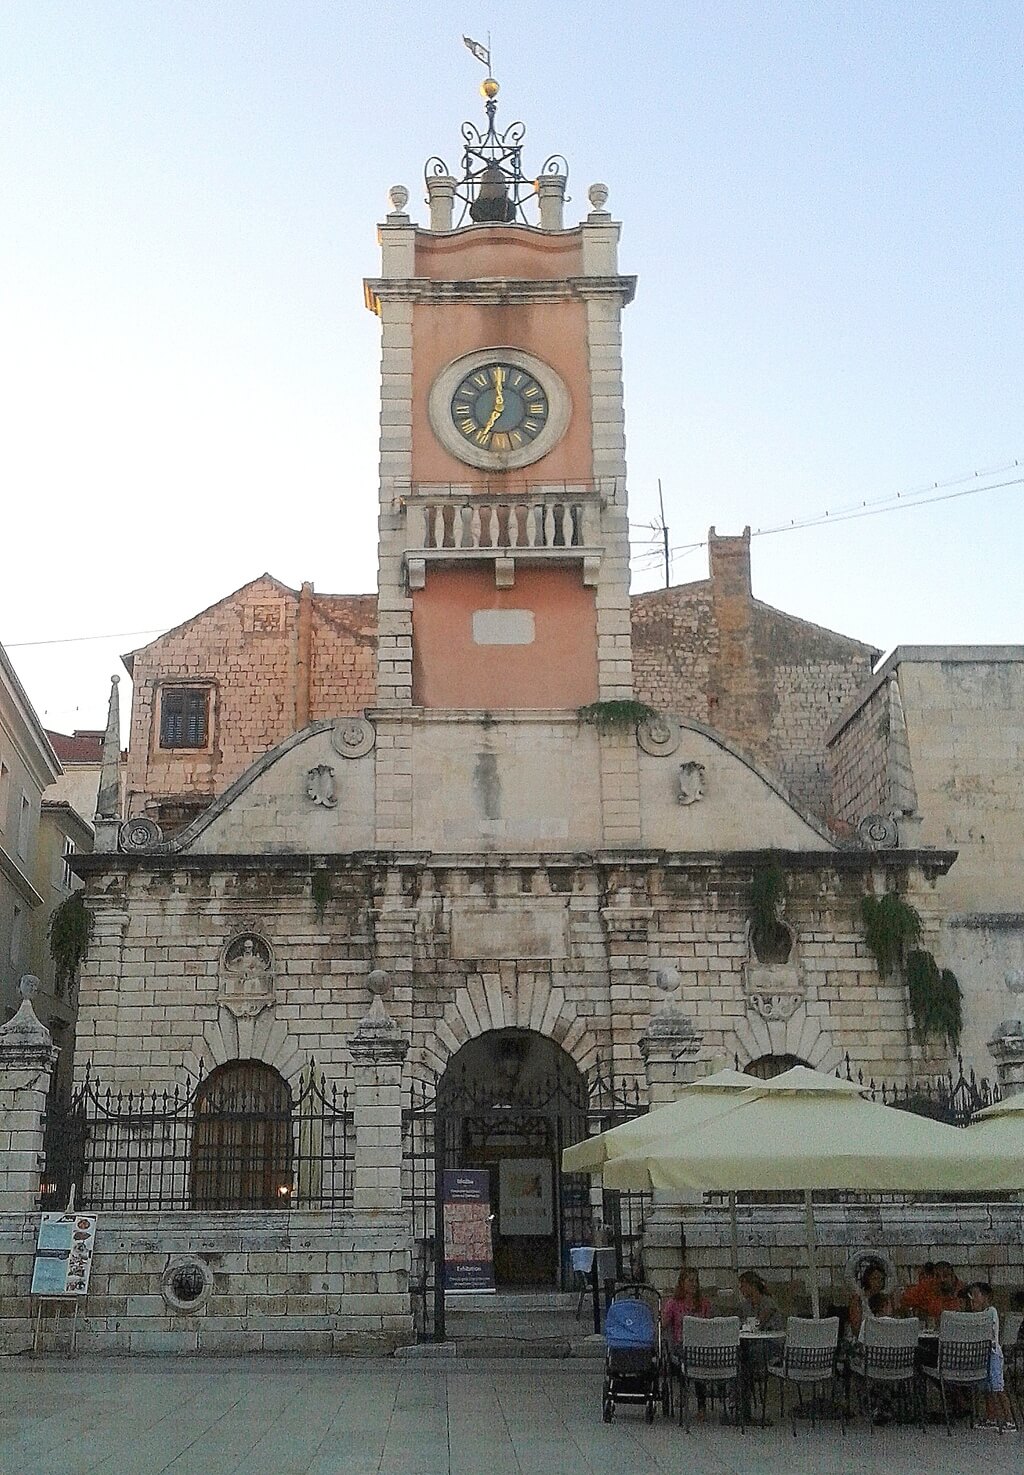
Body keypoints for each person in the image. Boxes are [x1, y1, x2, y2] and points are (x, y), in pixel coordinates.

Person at [966, 1281, 1017, 1431]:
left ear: (986, 1296)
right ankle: (991, 1417)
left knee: (997, 1387)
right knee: (987, 1388)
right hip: (983, 1355)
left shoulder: (991, 1312)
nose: (973, 1299)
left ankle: (1009, 1419)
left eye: (975, 1295)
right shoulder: (981, 1313)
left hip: (993, 1354)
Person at [662, 1268, 712, 1416]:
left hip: (701, 1345)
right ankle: (686, 1392)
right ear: (682, 1283)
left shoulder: (704, 1304)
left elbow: (710, 1326)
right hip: (681, 1344)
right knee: (687, 1357)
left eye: (696, 1280)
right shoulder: (673, 1303)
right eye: (690, 1280)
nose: (694, 1284)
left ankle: (701, 1405)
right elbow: (663, 1325)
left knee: (698, 1357)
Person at [848, 1260, 887, 1340]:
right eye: (875, 1278)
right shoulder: (858, 1298)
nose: (878, 1282)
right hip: (861, 1338)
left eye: (881, 1279)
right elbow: (856, 1328)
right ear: (867, 1279)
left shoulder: (883, 1298)